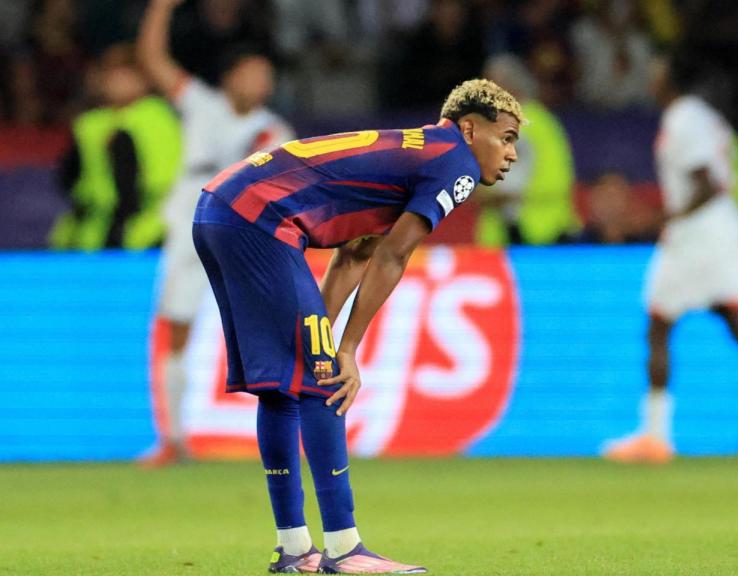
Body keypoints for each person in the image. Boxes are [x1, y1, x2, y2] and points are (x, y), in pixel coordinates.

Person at [192, 78, 520, 573]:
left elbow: (356, 253)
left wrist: (319, 336)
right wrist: (342, 350)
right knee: (325, 379)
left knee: (286, 385)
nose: (513, 154)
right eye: (508, 137)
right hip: (261, 219)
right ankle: (345, 550)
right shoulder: (456, 163)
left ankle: (296, 549)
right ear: (470, 129)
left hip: (221, 209)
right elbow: (394, 255)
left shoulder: (416, 152)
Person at [602, 50, 738, 465]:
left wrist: (664, 217)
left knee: (659, 325)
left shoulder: (684, 117)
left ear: (671, 78)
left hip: (699, 234)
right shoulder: (704, 116)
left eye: (656, 70)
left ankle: (656, 436)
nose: (651, 77)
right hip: (719, 231)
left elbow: (707, 183)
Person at [137, 0, 294, 467]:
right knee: (178, 325)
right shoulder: (200, 103)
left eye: (266, 75)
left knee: (268, 329)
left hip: (243, 229)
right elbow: (152, 61)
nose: (260, 83)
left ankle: (284, 430)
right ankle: (174, 438)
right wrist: (161, 9)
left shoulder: (276, 131)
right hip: (190, 218)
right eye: (252, 73)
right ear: (230, 77)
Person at [49, 43, 181, 250]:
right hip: (94, 225)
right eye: (111, 75)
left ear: (144, 79)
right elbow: (69, 177)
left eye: (126, 75)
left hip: (147, 226)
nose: (116, 83)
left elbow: (136, 185)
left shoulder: (154, 119)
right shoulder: (90, 125)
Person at [475, 53, 579, 246]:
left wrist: (511, 196)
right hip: (499, 237)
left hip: (544, 234)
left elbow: (558, 180)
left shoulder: (541, 123)